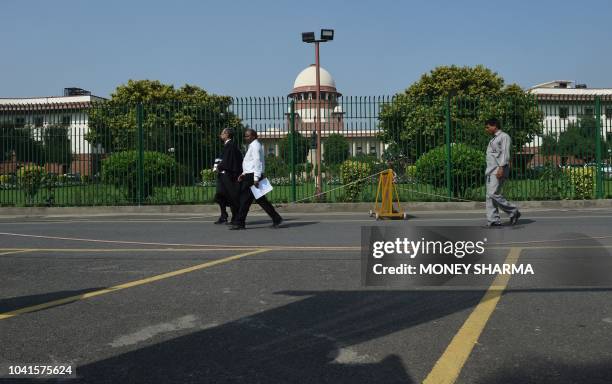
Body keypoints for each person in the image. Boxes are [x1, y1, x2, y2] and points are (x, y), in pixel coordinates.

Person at [231, 128, 283, 230]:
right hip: (250, 175)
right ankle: (276, 218)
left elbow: (257, 162)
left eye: (248, 136)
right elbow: (250, 163)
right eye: (245, 136)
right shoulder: (253, 145)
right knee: (261, 200)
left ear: (253, 136)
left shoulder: (255, 146)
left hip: (252, 177)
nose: (246, 138)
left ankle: (240, 223)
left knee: (244, 200)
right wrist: (243, 173)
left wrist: (256, 178)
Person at [484, 118, 521, 227]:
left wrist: (501, 168)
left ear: (494, 125)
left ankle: (513, 211)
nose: (486, 129)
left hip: (498, 170)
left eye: (487, 127)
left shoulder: (504, 136)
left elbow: (505, 153)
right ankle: (493, 220)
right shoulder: (493, 139)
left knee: (492, 194)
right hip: (491, 171)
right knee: (489, 196)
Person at [214, 128, 243, 225]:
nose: (220, 134)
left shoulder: (230, 145)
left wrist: (219, 167)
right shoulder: (228, 145)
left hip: (229, 176)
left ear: (227, 134)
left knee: (232, 197)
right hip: (224, 176)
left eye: (222, 133)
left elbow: (227, 161)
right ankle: (224, 215)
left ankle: (235, 218)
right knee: (220, 195)